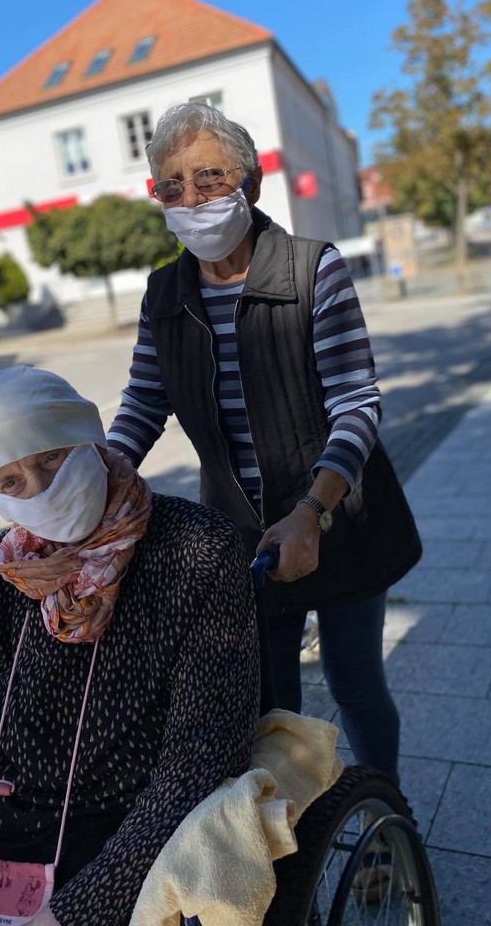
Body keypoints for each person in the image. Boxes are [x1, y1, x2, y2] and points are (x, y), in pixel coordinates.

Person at [0, 365, 259, 926]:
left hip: (134, 830)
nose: (40, 489)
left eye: (51, 458)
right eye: (11, 481)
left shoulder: (198, 550)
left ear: (91, 441)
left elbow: (199, 760)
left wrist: (76, 912)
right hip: (4, 825)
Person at [107, 102, 421, 788]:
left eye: (210, 178)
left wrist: (313, 510)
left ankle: (385, 808)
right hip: (242, 538)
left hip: (337, 521)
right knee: (269, 704)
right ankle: (292, 840)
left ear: (249, 182)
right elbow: (143, 404)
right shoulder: (163, 296)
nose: (191, 199)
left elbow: (356, 404)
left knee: (356, 682)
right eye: (173, 186)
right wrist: (99, 481)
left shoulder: (314, 271)